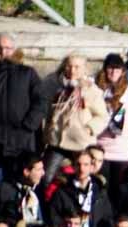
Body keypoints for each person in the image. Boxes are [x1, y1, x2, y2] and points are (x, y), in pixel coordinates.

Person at [42, 54, 109, 184]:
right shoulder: (56, 87)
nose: (72, 70)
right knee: (47, 177)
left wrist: (88, 129)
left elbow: (102, 116)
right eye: (69, 66)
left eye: (77, 67)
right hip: (57, 141)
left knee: (81, 177)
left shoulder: (91, 90)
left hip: (80, 143)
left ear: (84, 69)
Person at [0, 32, 47, 183]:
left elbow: (41, 101)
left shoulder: (27, 73)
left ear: (14, 49)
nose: (3, 53)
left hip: (21, 142)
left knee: (19, 185)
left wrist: (29, 125)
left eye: (8, 48)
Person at [94, 53, 128, 203]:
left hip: (123, 154)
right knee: (101, 194)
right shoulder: (96, 93)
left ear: (122, 72)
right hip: (101, 153)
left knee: (119, 194)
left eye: (117, 69)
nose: (113, 72)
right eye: (110, 68)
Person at [49, 149, 115, 227]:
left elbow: (107, 217)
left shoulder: (100, 192)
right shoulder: (62, 191)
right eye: (78, 164)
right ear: (73, 166)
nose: (81, 169)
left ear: (92, 167)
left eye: (86, 165)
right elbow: (54, 217)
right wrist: (66, 226)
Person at [0, 152, 45, 226]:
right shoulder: (4, 190)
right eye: (39, 169)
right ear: (26, 172)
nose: (43, 173)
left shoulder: (34, 194)